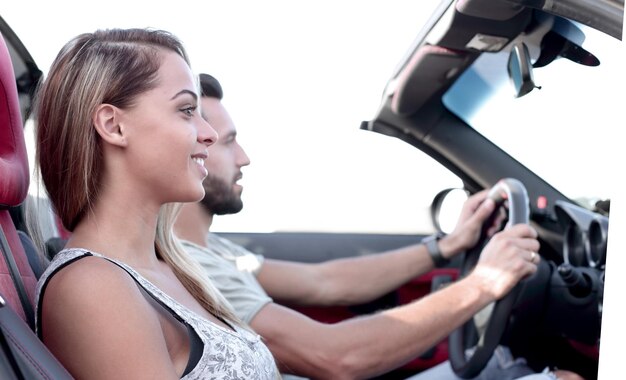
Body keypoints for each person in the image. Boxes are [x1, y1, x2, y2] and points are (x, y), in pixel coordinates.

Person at [174, 74, 582, 380]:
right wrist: (483, 283)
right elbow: (335, 357)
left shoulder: (218, 251)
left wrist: (446, 246)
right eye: (227, 142)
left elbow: (325, 282)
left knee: (504, 364)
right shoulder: (192, 268)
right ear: (195, 150)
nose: (244, 158)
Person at [32, 30, 279, 379]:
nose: (207, 133)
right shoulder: (94, 287)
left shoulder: (174, 268)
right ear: (113, 125)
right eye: (187, 110)